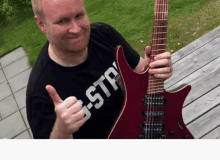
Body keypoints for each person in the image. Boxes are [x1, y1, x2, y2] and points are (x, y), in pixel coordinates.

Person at [26, 0, 173, 139]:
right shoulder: (39, 93)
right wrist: (61, 130)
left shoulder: (105, 35)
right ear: (41, 24)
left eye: (79, 16)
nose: (76, 29)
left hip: (146, 129)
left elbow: (141, 71)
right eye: (62, 21)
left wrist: (155, 70)